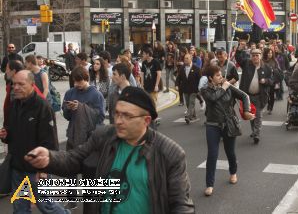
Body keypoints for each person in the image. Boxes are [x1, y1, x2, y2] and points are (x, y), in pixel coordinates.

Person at [25, 86, 195, 213]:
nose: (119, 121)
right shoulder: (104, 136)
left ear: (146, 120)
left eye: (127, 116)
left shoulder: (170, 154)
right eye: (117, 113)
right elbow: (75, 158)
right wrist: (49, 158)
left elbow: (181, 205)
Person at [0, 70, 67, 214]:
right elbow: (11, 133)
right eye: (14, 84)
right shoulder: (15, 104)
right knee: (20, 208)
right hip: (18, 168)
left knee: (47, 207)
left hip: (36, 170)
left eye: (21, 84)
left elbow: (50, 142)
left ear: (32, 85)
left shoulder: (42, 106)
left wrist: (43, 171)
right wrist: (5, 135)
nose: (16, 87)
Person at [200, 65, 255, 196]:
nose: (221, 77)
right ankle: (209, 184)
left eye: (221, 74)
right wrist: (224, 87)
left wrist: (246, 111)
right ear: (210, 78)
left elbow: (244, 96)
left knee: (230, 151)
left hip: (229, 123)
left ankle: (233, 172)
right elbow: (213, 98)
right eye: (218, 75)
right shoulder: (205, 90)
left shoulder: (228, 87)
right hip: (212, 125)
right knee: (212, 154)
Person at [62, 66, 105, 209]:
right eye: (74, 82)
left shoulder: (96, 95)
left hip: (90, 138)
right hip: (73, 136)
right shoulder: (70, 93)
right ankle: (71, 199)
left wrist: (81, 107)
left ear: (86, 79)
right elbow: (66, 116)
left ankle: (91, 202)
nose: (76, 85)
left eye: (79, 81)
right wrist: (69, 108)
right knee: (70, 170)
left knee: (89, 172)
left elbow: (100, 117)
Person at [235, 48, 272, 144]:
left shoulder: (266, 67)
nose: (255, 57)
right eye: (253, 55)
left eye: (257, 55)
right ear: (251, 56)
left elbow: (272, 80)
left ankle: (257, 134)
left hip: (260, 96)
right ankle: (254, 130)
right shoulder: (247, 64)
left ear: (260, 56)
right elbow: (238, 59)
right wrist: (239, 49)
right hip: (247, 96)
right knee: (250, 114)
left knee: (258, 115)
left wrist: (266, 81)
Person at [175, 53, 202, 124]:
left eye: (187, 58)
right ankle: (194, 115)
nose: (185, 60)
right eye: (184, 58)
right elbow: (178, 77)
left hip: (194, 89)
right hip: (185, 89)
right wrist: (176, 85)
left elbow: (200, 79)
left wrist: (200, 89)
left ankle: (188, 116)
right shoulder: (182, 68)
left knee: (191, 102)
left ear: (191, 59)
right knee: (188, 103)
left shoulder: (196, 68)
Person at [262, 48, 282, 114]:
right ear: (266, 53)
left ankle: (270, 108)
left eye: (271, 53)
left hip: (273, 80)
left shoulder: (274, 61)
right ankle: (268, 104)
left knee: (272, 94)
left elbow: (279, 70)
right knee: (266, 94)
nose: (270, 54)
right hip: (265, 80)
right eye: (268, 53)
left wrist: (274, 70)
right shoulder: (263, 61)